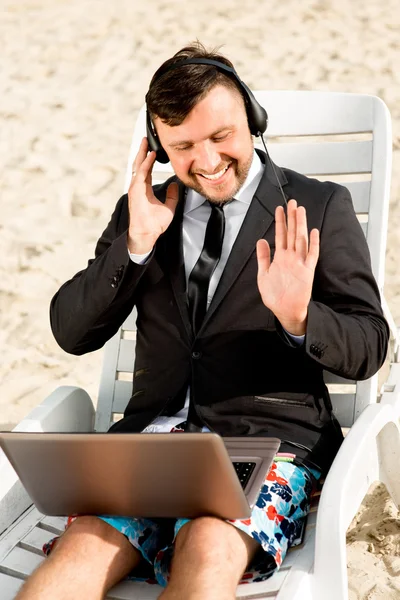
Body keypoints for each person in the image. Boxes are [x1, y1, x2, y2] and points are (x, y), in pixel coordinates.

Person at [16, 42, 389, 600]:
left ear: (252, 119)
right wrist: (136, 245)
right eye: (184, 146)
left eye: (221, 137)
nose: (208, 161)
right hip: (150, 448)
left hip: (265, 445)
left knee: (209, 548)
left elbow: (370, 345)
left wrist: (299, 316)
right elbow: (72, 333)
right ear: (159, 147)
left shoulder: (319, 206)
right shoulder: (144, 212)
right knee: (77, 556)